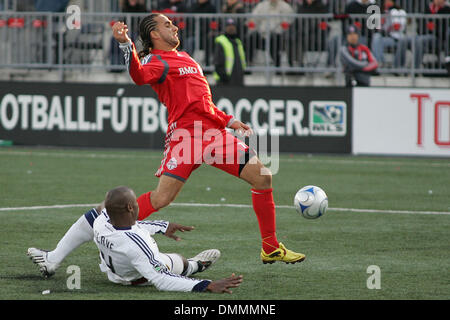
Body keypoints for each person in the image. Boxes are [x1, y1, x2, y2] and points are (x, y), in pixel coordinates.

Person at [112, 13, 305, 264]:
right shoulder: (156, 60)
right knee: (162, 199)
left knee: (263, 177)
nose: (175, 27)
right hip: (187, 137)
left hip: (215, 133)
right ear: (155, 35)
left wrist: (228, 120)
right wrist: (126, 44)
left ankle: (270, 247)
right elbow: (138, 76)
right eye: (167, 25)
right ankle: (110, 225)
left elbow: (203, 103)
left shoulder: (187, 58)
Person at [28, 186, 243, 294]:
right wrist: (206, 285)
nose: (138, 203)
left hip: (112, 269)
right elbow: (162, 280)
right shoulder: (139, 243)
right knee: (176, 262)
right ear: (130, 208)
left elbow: (130, 226)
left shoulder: (103, 220)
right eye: (135, 201)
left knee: (92, 213)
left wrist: (161, 226)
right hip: (134, 277)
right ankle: (197, 265)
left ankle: (53, 259)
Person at [247, 0, 295, 68]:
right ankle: (248, 63)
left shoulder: (284, 6)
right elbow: (253, 18)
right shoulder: (262, 5)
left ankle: (277, 65)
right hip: (262, 34)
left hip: (278, 34)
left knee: (274, 41)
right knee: (251, 38)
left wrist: (283, 27)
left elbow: (290, 19)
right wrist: (252, 25)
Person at [370, 0, 408, 70]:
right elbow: (378, 28)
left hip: (397, 39)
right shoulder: (381, 13)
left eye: (389, 1)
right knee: (376, 37)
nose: (387, 3)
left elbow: (398, 27)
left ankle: (397, 68)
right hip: (387, 38)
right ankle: (379, 63)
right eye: (385, 1)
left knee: (402, 41)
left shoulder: (399, 11)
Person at [213, 18, 246, 86]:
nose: (231, 28)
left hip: (238, 80)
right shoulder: (221, 41)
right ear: (225, 28)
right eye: (229, 26)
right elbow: (217, 62)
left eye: (233, 25)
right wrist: (223, 77)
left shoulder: (238, 42)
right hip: (224, 81)